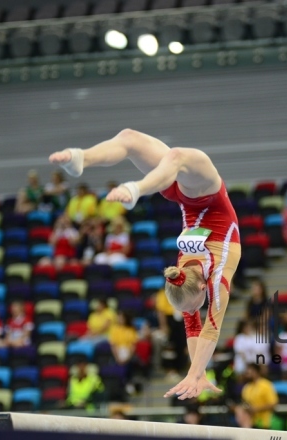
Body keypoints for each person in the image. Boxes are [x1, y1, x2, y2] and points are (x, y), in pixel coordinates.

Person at [50, 129, 240, 400]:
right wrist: (196, 372)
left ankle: (104, 170)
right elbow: (208, 328)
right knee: (166, 152)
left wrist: (196, 372)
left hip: (182, 194)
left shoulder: (186, 281)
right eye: (196, 307)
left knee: (136, 142)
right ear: (203, 286)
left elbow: (199, 328)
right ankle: (107, 172)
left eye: (194, 307)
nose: (195, 312)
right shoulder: (217, 278)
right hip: (207, 192)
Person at [156, 288, 187, 381]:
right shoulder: (163, 293)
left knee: (181, 345)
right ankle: (170, 370)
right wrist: (164, 325)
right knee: (170, 346)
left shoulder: (183, 291)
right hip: (170, 320)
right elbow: (160, 311)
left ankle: (180, 368)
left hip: (181, 320)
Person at [240, 363, 278, 430]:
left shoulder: (266, 385)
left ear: (256, 372)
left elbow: (273, 403)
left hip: (265, 423)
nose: (247, 374)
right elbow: (244, 402)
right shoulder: (247, 387)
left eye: (249, 372)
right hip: (252, 423)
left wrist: (256, 409)